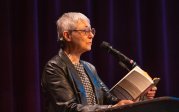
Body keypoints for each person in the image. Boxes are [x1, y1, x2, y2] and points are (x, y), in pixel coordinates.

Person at [41, 12, 157, 112]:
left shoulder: (89, 67)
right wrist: (111, 107)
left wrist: (140, 97)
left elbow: (109, 99)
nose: (91, 35)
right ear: (67, 36)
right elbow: (68, 108)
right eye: (85, 31)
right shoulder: (55, 67)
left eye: (91, 31)